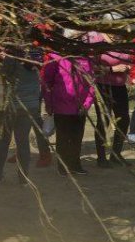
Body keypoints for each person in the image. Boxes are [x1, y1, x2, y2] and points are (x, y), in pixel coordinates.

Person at [41, 31, 95, 175]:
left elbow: (91, 84)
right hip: (61, 106)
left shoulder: (85, 59)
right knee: (64, 138)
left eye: (80, 39)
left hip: (80, 107)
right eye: (74, 39)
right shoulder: (54, 59)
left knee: (77, 137)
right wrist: (49, 104)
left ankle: (75, 165)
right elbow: (46, 83)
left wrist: (87, 103)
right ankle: (63, 167)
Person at [0, 47, 48, 183]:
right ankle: (23, 179)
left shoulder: (11, 68)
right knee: (23, 142)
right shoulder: (34, 70)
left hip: (8, 109)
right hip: (29, 109)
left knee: (3, 140)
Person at [86, 26, 133, 166]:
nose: (121, 34)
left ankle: (116, 154)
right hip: (103, 86)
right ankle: (101, 158)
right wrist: (112, 69)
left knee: (124, 120)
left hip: (120, 86)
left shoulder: (122, 42)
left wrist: (128, 67)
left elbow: (129, 59)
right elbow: (89, 67)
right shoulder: (98, 43)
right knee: (104, 121)